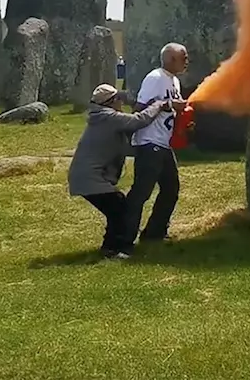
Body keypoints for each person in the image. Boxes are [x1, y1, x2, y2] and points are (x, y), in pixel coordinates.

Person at [66, 84, 177, 259]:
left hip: (85, 176)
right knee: (119, 208)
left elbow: (125, 147)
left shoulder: (102, 118)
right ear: (111, 102)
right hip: (90, 178)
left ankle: (110, 247)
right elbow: (138, 120)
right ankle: (114, 249)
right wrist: (159, 105)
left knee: (116, 209)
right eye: (118, 98)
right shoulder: (108, 117)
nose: (121, 102)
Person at [122, 42, 190, 251]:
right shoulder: (155, 78)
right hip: (149, 142)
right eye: (183, 57)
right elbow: (139, 109)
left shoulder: (174, 81)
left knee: (171, 189)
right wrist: (169, 105)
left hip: (164, 144)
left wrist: (182, 120)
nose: (187, 61)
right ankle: (123, 240)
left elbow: (169, 111)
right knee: (141, 192)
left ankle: (154, 233)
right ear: (170, 59)